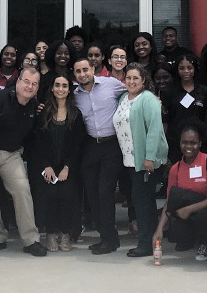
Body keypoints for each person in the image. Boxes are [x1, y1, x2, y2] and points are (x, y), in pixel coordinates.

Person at [0, 67, 47, 256]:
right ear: (18, 81)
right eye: (26, 82)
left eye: (34, 84)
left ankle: (31, 239)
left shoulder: (34, 104)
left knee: (22, 190)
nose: (29, 87)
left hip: (12, 154)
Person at [152, 123, 207, 268]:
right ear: (179, 143)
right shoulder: (176, 168)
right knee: (176, 231)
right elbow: (170, 200)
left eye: (193, 142)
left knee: (204, 215)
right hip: (191, 213)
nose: (188, 146)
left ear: (199, 143)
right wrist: (159, 229)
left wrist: (190, 209)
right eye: (185, 142)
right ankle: (205, 242)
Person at [112, 63, 168, 258]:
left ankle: (146, 244)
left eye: (136, 78)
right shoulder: (122, 98)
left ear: (144, 80)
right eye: (128, 78)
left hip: (145, 161)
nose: (131, 81)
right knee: (139, 200)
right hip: (128, 160)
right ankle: (150, 239)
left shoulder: (148, 99)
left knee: (142, 202)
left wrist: (149, 158)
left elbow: (154, 129)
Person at [72, 57, 126, 255]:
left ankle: (110, 240)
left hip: (111, 145)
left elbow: (133, 91)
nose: (82, 74)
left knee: (105, 192)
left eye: (85, 69)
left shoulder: (111, 84)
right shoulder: (74, 94)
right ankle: (106, 237)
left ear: (93, 69)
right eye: (78, 71)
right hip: (90, 146)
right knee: (92, 194)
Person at [33, 75, 87, 252]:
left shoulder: (75, 114)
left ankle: (65, 233)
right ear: (52, 88)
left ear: (69, 89)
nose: (61, 89)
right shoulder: (43, 112)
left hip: (68, 167)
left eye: (64, 85)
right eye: (57, 85)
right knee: (48, 197)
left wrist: (67, 167)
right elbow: (38, 142)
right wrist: (46, 165)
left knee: (67, 196)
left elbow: (79, 144)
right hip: (47, 165)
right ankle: (49, 234)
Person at [162, 53, 207, 163]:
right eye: (181, 68)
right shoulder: (169, 92)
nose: (186, 71)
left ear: (195, 69)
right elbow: (166, 121)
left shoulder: (204, 92)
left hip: (200, 143)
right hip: (175, 143)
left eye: (189, 68)